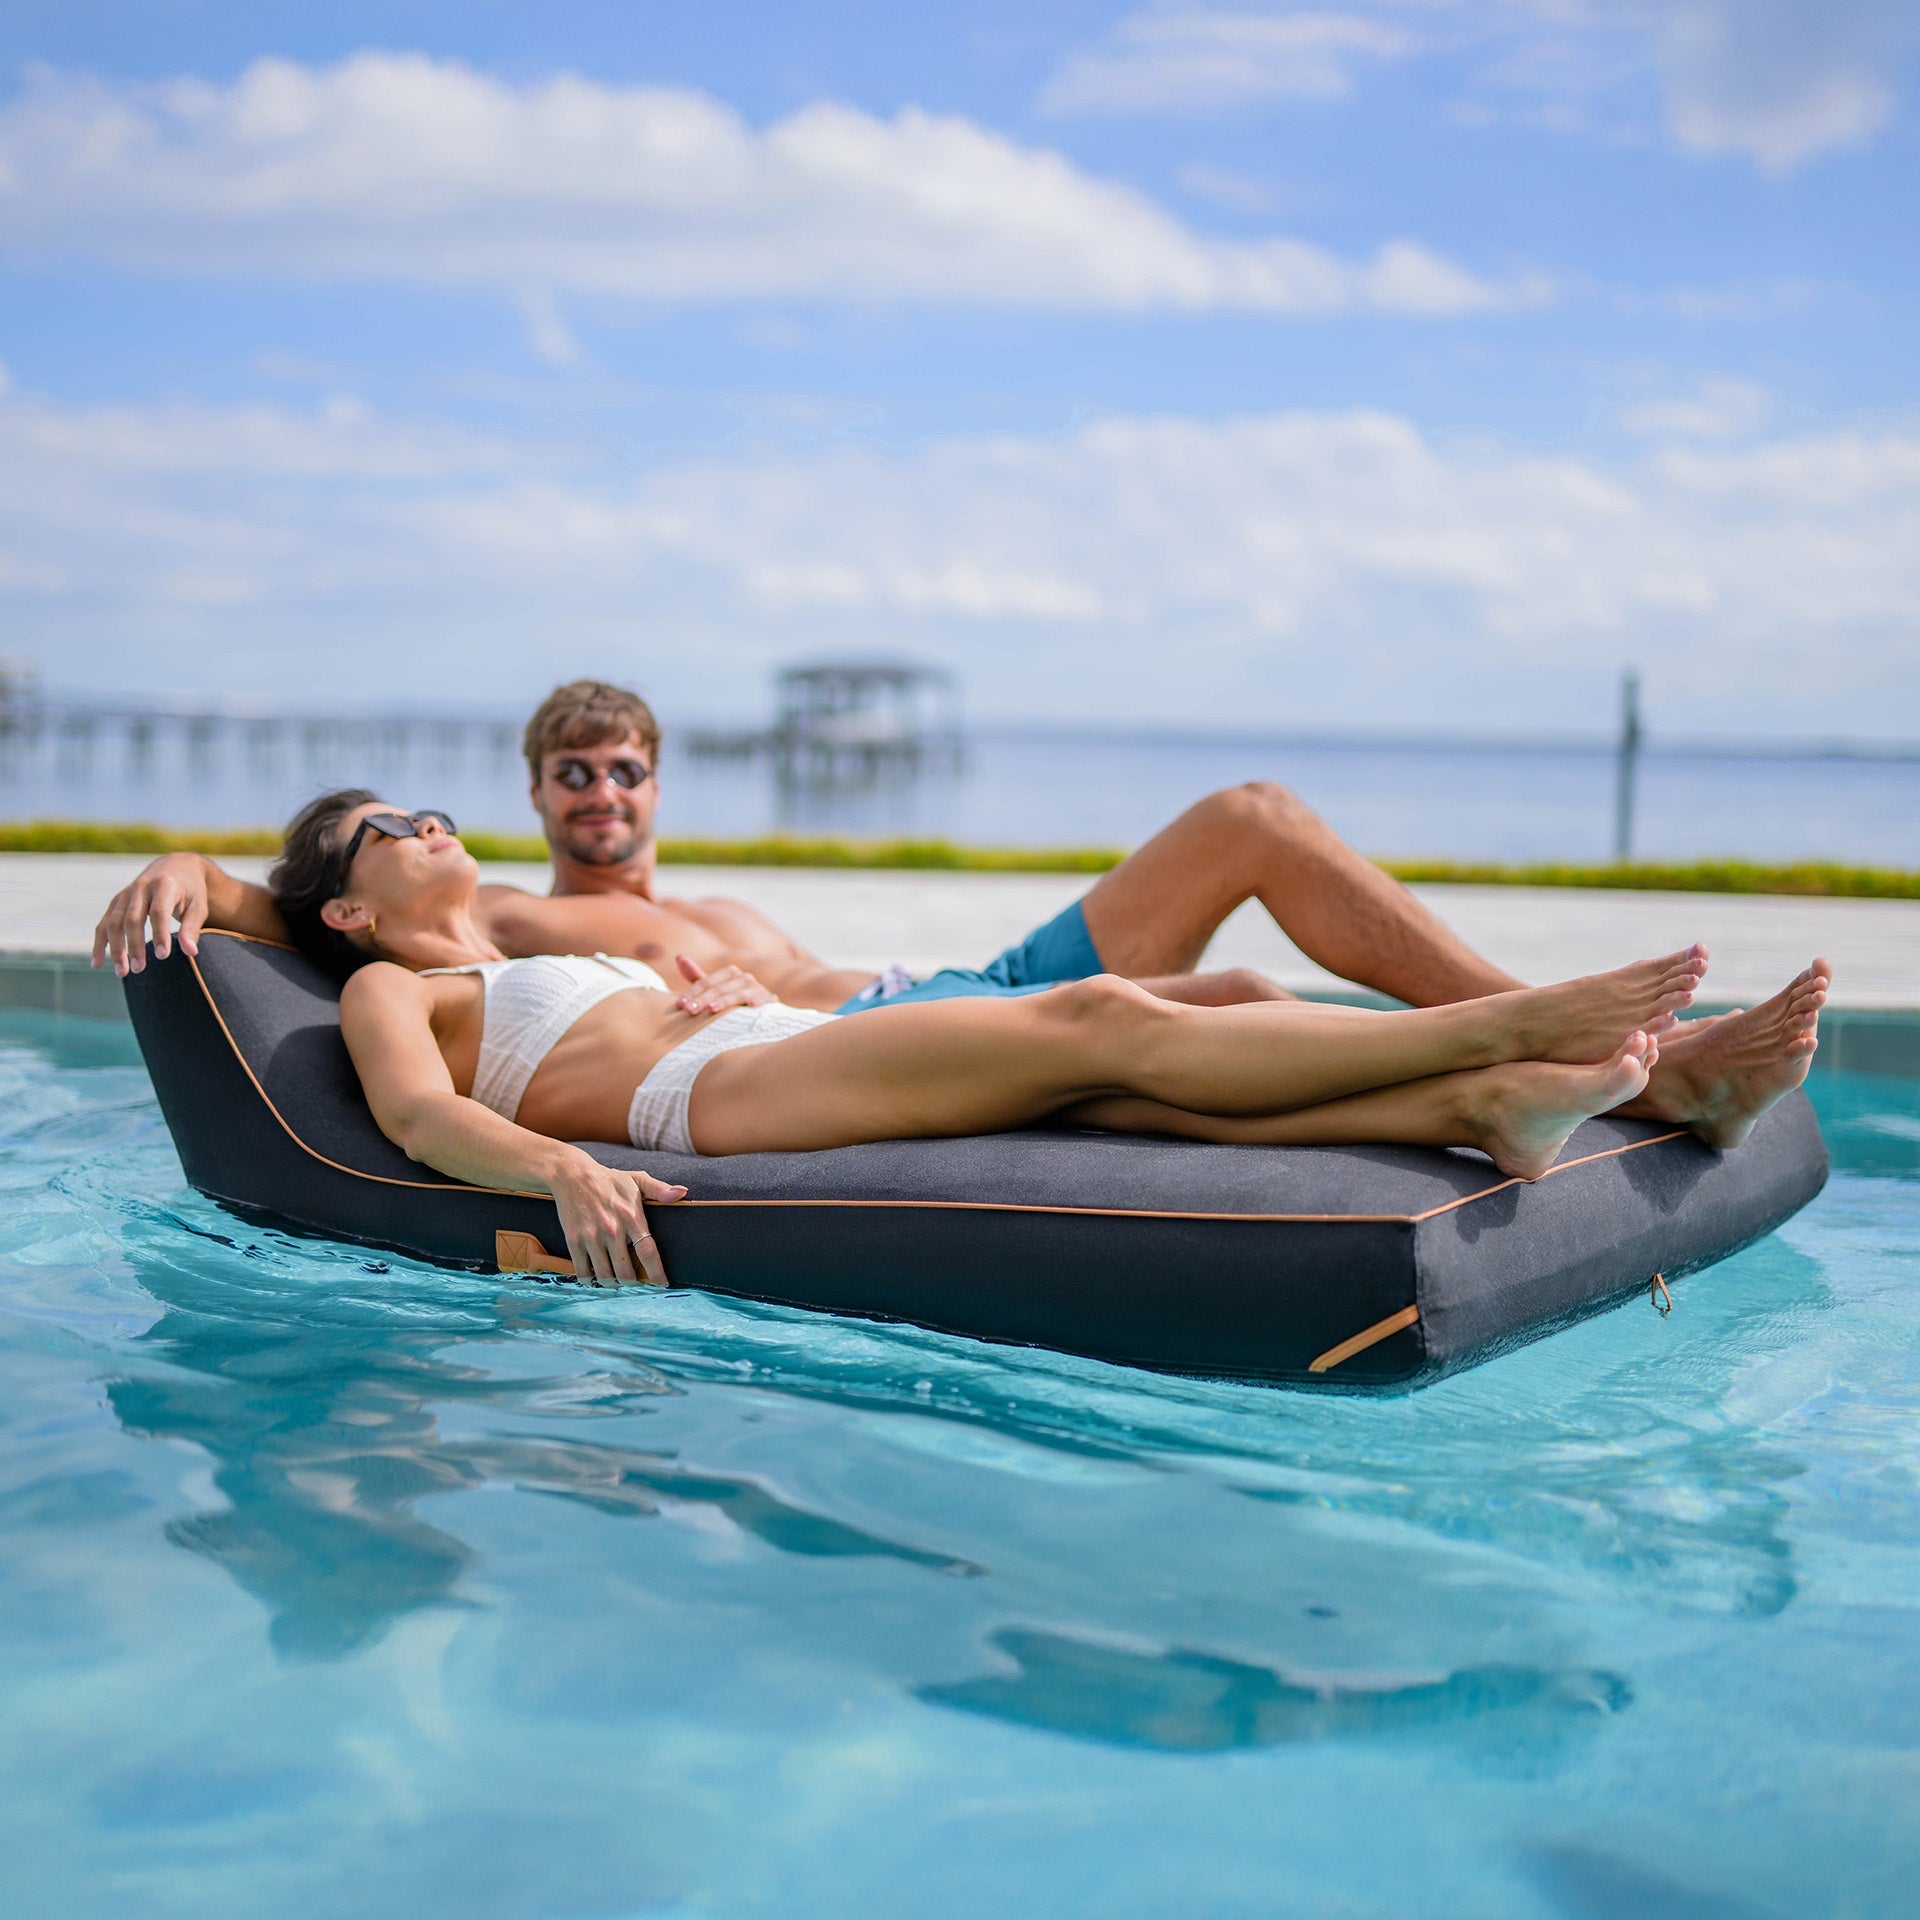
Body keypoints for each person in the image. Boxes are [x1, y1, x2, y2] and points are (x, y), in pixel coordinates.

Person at [181, 791, 1827, 1286]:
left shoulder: (547, 941)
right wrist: (556, 1169)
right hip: (702, 1100)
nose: (433, 819)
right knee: (1106, 1020)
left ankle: (1482, 1095)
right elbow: (407, 1120)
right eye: (395, 820)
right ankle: (1511, 1025)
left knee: (1128, 1073)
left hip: (750, 1045)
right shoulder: (405, 986)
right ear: (344, 905)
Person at [93, 679, 1528, 1017]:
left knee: (1251, 820)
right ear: (534, 799)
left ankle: (1512, 1014)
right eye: (573, 774)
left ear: (657, 788)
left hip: (972, 979)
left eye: (625, 772)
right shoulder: (516, 915)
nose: (603, 793)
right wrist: (191, 873)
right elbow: (316, 908)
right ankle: (1534, 1040)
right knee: (1248, 998)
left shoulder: (711, 899)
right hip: (926, 1031)